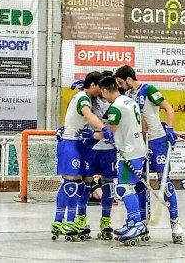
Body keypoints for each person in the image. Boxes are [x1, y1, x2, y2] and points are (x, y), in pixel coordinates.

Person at [114, 65, 183, 244]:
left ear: (129, 79)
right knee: (138, 184)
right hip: (139, 144)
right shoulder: (126, 97)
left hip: (158, 141)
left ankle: (175, 222)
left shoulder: (149, 89)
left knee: (164, 183)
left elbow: (168, 108)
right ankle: (140, 223)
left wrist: (170, 128)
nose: (120, 86)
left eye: (121, 82)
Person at [80, 76, 148, 245]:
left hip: (129, 153)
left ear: (104, 90)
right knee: (130, 187)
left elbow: (110, 129)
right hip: (138, 149)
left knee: (124, 188)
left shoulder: (115, 107)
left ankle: (137, 224)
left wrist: (93, 135)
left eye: (102, 94)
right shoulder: (129, 101)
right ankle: (133, 223)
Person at [51, 71, 114, 241]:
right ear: (93, 85)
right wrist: (104, 129)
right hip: (70, 142)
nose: (101, 91)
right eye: (99, 87)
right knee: (71, 182)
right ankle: (64, 221)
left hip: (80, 144)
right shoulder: (82, 98)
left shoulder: (86, 96)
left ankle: (64, 221)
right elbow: (88, 114)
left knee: (78, 183)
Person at [74, 71, 117, 241]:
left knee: (108, 183)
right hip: (90, 147)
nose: (101, 91)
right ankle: (81, 219)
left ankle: (106, 222)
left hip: (108, 148)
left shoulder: (115, 100)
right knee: (86, 182)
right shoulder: (89, 97)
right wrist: (81, 87)